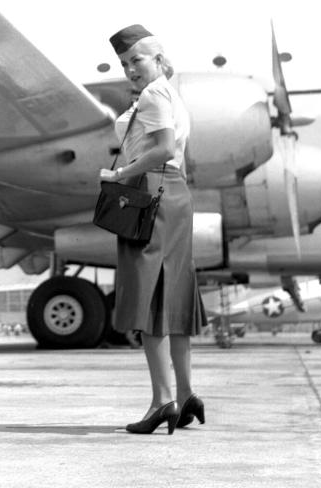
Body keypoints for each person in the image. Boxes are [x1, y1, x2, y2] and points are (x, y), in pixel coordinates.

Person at [100, 24, 207, 435]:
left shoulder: (152, 95)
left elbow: (160, 147)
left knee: (149, 298)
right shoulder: (172, 96)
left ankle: (161, 401)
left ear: (159, 59)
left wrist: (120, 174)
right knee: (173, 295)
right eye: (125, 63)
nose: (130, 69)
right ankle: (184, 392)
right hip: (175, 192)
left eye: (137, 60)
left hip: (150, 193)